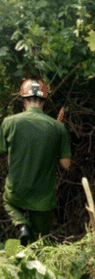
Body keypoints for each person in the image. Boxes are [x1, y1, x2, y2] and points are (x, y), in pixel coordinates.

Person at [0, 79, 71, 245]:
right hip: (43, 196)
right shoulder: (57, 127)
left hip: (16, 191)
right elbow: (66, 164)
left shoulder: (9, 122)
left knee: (7, 200)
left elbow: (3, 152)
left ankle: (21, 225)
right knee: (39, 240)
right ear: (44, 101)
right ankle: (34, 257)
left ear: (23, 101)